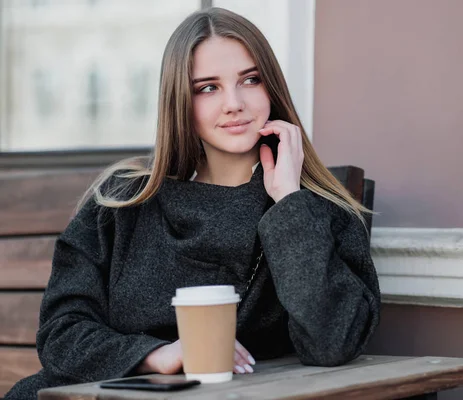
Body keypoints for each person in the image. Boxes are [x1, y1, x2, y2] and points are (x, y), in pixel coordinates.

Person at [5, 7, 380, 400]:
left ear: (272, 89)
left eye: (250, 80)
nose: (234, 103)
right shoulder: (121, 203)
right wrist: (155, 355)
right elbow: (62, 333)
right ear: (179, 101)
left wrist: (288, 199)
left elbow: (334, 340)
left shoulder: (314, 211)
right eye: (207, 87)